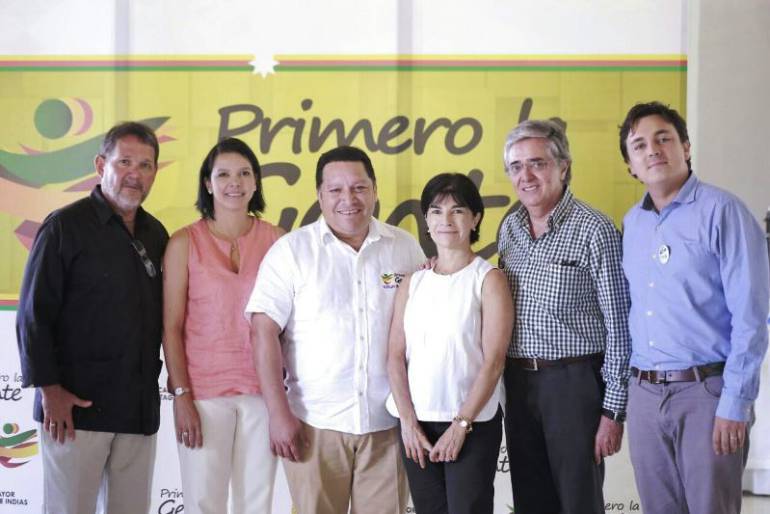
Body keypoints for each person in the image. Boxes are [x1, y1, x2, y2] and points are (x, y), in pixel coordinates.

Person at [246, 145, 425, 514]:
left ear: (374, 190)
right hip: (314, 426)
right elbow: (263, 333)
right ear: (320, 195)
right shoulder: (291, 251)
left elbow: (426, 327)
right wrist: (278, 414)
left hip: (388, 425)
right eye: (336, 190)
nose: (349, 199)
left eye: (359, 188)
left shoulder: (404, 248)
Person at [619, 101, 770, 514]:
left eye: (663, 138)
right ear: (630, 165)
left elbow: (752, 318)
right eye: (639, 145)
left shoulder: (724, 212)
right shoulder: (632, 224)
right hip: (645, 395)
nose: (653, 150)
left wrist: (735, 403)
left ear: (685, 147)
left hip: (706, 394)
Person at [16, 122, 168, 514]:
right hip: (73, 411)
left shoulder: (156, 234)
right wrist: (50, 391)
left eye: (145, 165)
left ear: (155, 172)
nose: (135, 174)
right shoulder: (64, 226)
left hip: (136, 411)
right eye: (125, 162)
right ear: (101, 165)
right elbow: (33, 315)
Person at [498, 119, 631, 514]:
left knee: (578, 502)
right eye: (516, 166)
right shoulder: (510, 228)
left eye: (537, 163)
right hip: (518, 384)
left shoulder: (595, 229)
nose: (526, 176)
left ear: (563, 166)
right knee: (530, 501)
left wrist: (613, 410)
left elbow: (620, 326)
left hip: (574, 385)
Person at [162, 138, 283, 513]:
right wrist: (181, 395)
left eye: (244, 173)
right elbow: (171, 326)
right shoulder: (184, 242)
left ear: (256, 182)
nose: (235, 182)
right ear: (208, 183)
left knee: (256, 503)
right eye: (224, 174)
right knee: (204, 502)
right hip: (203, 394)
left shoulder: (278, 240)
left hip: (263, 393)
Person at [386, 173, 513, 514]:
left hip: (472, 425)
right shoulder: (413, 281)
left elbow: (494, 362)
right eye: (436, 211)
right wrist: (408, 422)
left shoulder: (489, 279)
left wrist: (461, 425)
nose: (446, 220)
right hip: (416, 426)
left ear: (475, 219)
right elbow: (395, 356)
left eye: (457, 211)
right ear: (426, 221)